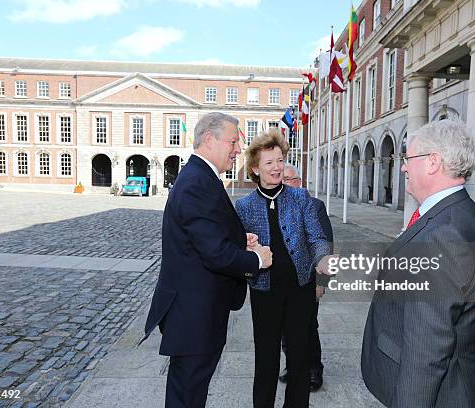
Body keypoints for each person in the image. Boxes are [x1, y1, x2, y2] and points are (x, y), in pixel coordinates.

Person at [140, 112, 273, 408]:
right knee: (187, 396)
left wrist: (240, 241)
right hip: (194, 315)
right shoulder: (197, 182)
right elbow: (214, 253)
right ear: (210, 139)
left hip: (199, 313)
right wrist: (256, 259)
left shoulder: (200, 177)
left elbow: (204, 236)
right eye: (234, 141)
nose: (238, 149)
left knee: (191, 392)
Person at [361, 120, 475, 407]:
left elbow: (427, 347)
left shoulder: (444, 234)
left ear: (433, 162)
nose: (403, 167)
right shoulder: (459, 212)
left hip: (443, 393)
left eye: (409, 158)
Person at [235, 130, 332, 408]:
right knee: (266, 360)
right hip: (264, 292)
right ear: (255, 168)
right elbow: (238, 249)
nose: (277, 167)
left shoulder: (301, 198)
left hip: (300, 290)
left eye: (279, 160)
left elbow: (316, 238)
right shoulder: (244, 206)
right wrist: (246, 247)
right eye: (269, 162)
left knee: (299, 360)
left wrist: (322, 259)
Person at [279, 164, 334, 392]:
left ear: (299, 182)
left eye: (289, 179)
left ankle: (313, 369)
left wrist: (321, 283)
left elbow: (326, 245)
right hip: (280, 281)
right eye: (280, 179)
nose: (283, 184)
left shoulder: (315, 206)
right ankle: (293, 365)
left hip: (307, 280)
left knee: (307, 325)